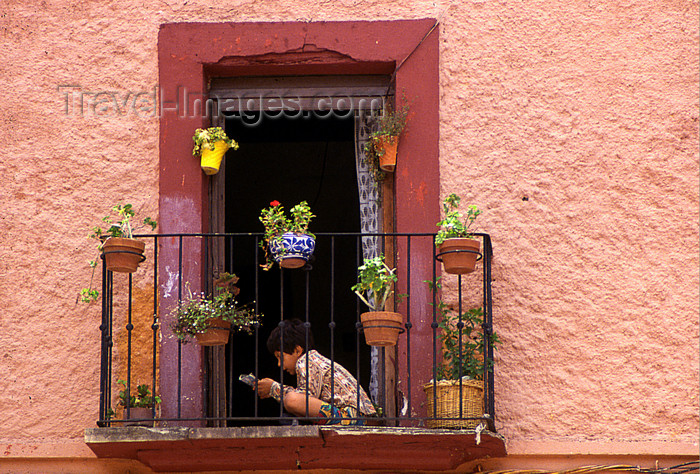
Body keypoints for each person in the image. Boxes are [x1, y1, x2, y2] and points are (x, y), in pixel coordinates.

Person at [255, 319, 376, 425]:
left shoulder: (306, 361)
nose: (279, 364)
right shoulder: (312, 359)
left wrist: (274, 388)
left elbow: (303, 399)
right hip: (359, 416)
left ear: (297, 350)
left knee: (291, 400)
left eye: (280, 357)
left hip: (353, 417)